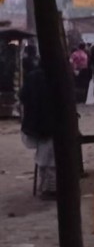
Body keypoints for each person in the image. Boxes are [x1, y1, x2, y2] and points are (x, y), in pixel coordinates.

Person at [20, 65, 56, 200]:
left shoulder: (32, 76)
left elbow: (23, 96)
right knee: (51, 157)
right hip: (51, 123)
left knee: (44, 155)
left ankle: (45, 186)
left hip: (35, 123)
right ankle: (50, 188)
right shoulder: (57, 76)